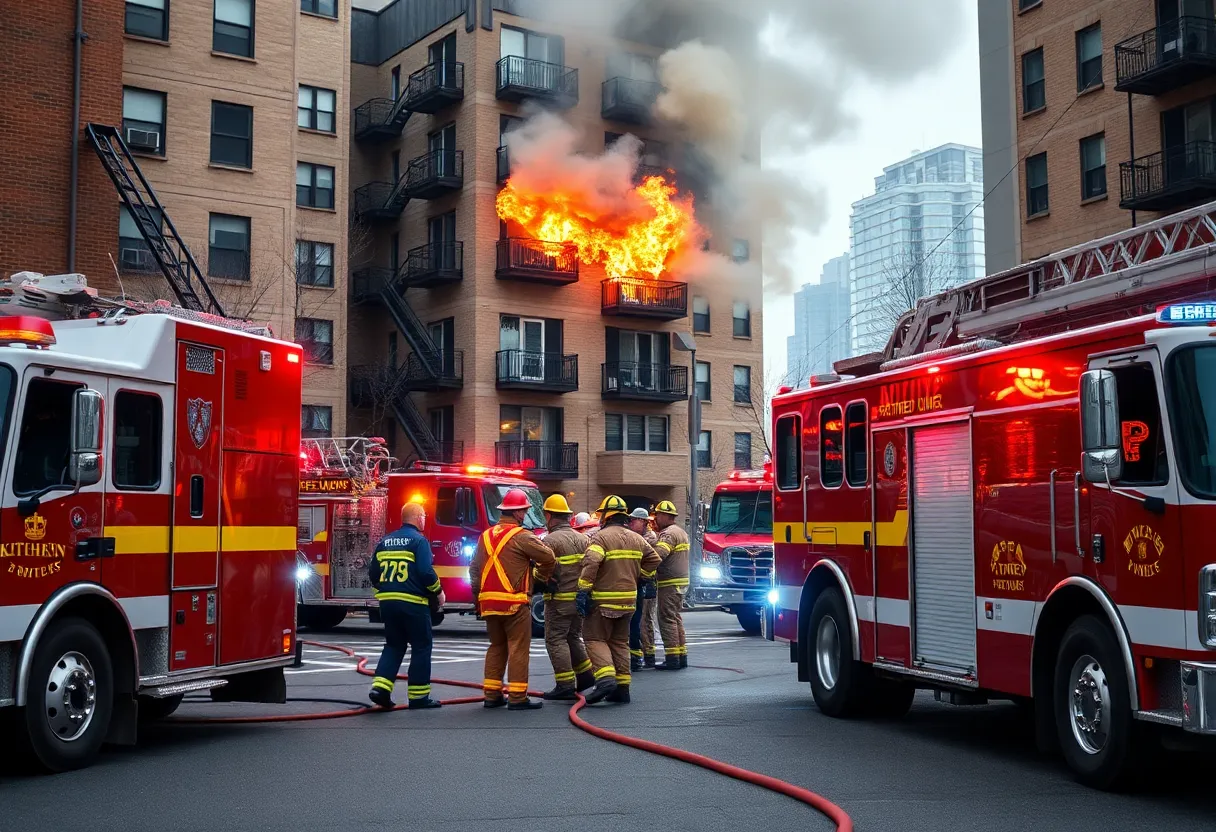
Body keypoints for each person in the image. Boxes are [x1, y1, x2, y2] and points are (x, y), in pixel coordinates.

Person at [470, 487, 556, 710]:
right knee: (518, 647)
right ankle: (517, 698)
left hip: (489, 603)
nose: (526, 514)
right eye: (525, 510)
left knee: (496, 646)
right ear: (518, 513)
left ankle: (492, 695)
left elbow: (475, 571)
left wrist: (477, 601)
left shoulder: (485, 537)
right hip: (514, 604)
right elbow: (549, 557)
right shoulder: (522, 536)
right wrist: (540, 577)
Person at [576, 495, 661, 705]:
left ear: (606, 515)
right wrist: (641, 576)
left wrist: (583, 591)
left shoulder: (600, 538)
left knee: (595, 639)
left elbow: (592, 562)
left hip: (603, 601)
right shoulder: (636, 538)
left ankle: (605, 680)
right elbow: (654, 559)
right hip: (629, 601)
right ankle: (622, 688)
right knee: (619, 642)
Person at [367, 502, 444, 709]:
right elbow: (426, 572)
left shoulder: (385, 541)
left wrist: (384, 593)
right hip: (413, 604)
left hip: (388, 604)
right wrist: (438, 592)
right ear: (419, 518)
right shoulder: (419, 541)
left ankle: (380, 689)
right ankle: (418, 697)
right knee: (421, 646)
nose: (425, 519)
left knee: (394, 645)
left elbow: (373, 574)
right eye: (424, 516)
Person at [537, 494, 594, 700]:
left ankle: (565, 684)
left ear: (550, 516)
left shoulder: (549, 541)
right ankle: (586, 676)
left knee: (555, 639)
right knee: (573, 637)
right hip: (579, 600)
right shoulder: (584, 539)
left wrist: (536, 580)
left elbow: (542, 571)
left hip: (558, 601)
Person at [653, 500, 691, 670]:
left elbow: (658, 555)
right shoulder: (681, 532)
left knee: (666, 619)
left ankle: (672, 658)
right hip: (681, 582)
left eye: (658, 515)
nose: (655, 519)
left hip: (669, 582)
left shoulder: (667, 534)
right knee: (675, 617)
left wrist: (644, 566)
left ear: (665, 516)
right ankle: (681, 655)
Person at [627, 507, 659, 671]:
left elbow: (652, 560)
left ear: (644, 522)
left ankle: (648, 656)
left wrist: (640, 576)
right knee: (636, 622)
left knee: (644, 621)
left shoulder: (649, 538)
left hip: (646, 585)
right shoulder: (639, 536)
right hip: (638, 584)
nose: (631, 523)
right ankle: (639, 655)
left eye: (634, 520)